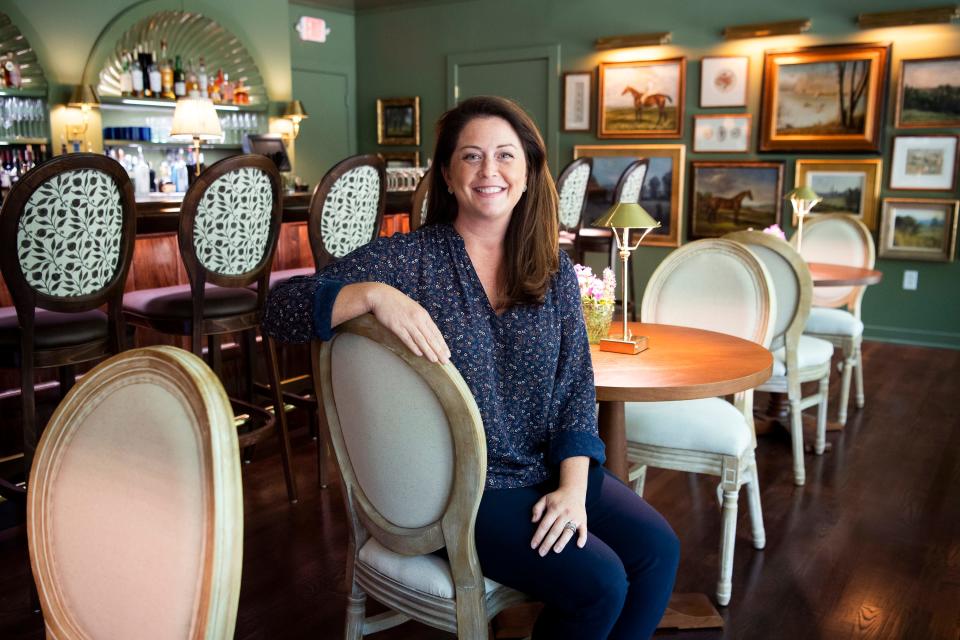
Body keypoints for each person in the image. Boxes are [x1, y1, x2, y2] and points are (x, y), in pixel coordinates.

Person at [262, 96, 679, 639]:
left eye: (506, 156)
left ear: (528, 172)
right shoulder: (411, 259)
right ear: (447, 174)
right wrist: (370, 295)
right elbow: (278, 308)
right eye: (471, 157)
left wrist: (573, 488)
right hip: (469, 491)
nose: (490, 172)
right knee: (600, 583)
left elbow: (576, 391)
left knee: (658, 551)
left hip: (548, 467)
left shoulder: (551, 272)